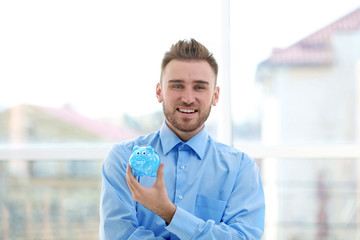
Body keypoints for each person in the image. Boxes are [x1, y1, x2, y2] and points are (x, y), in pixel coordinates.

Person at [99, 38, 265, 239]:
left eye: (200, 87)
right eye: (177, 86)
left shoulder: (240, 168)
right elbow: (119, 236)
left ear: (216, 95)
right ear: (160, 91)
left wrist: (169, 213)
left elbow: (243, 237)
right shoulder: (123, 159)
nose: (188, 98)